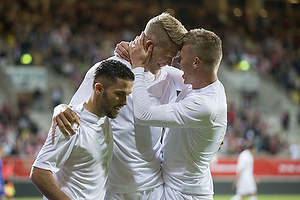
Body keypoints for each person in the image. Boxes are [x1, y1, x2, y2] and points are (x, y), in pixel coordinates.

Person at [52, 12, 187, 200]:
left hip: (154, 189)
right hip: (112, 191)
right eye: (167, 56)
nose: (169, 63)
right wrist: (59, 108)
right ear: (149, 46)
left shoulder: (168, 77)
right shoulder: (108, 71)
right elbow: (76, 113)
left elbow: (208, 83)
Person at [128, 29, 227, 199]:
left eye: (182, 57)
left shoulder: (203, 105)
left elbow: (143, 114)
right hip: (182, 187)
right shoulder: (203, 85)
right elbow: (160, 69)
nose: (177, 62)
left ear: (196, 63)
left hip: (183, 193)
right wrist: (130, 49)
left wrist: (137, 66)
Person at [30, 60, 134, 200]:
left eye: (127, 94)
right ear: (98, 89)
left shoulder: (106, 117)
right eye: (119, 94)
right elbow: (39, 173)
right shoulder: (70, 123)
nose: (125, 101)